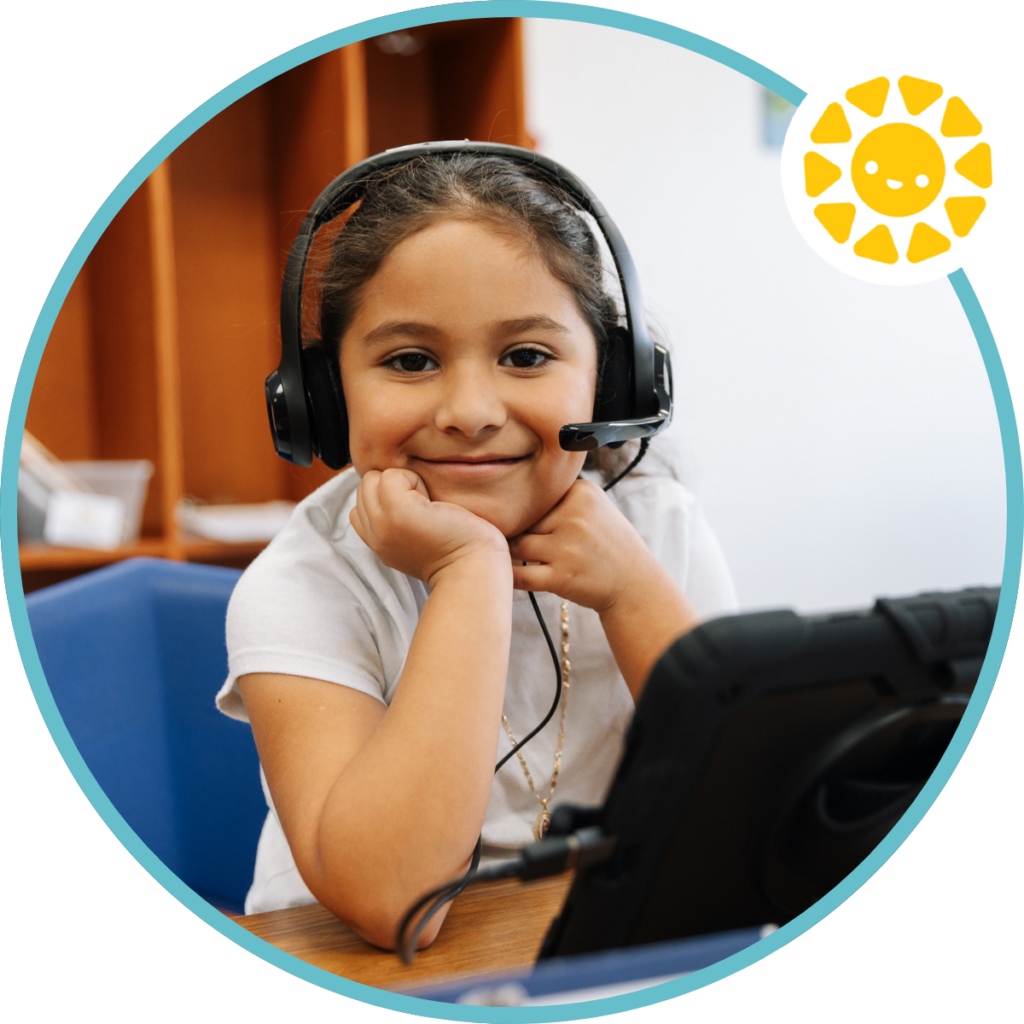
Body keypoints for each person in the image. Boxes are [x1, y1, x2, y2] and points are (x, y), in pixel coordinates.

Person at [216, 150, 738, 950]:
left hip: (599, 950)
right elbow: (399, 905)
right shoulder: (304, 586)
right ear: (321, 398)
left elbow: (748, 826)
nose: (469, 411)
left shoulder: (658, 530)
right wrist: (468, 574)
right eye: (410, 361)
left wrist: (635, 595)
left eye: (526, 356)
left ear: (611, 382)